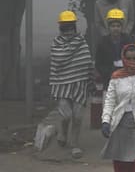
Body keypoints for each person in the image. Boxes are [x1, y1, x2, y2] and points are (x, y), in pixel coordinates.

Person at [101, 44, 135, 172]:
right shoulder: (116, 77)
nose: (131, 62)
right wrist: (105, 121)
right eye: (128, 58)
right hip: (120, 126)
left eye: (134, 58)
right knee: (122, 165)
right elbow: (110, 102)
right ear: (123, 59)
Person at [49, 11, 95, 159]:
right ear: (60, 28)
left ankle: (74, 144)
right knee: (66, 115)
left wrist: (90, 80)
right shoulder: (56, 43)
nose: (68, 31)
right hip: (61, 84)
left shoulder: (81, 42)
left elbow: (87, 61)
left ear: (74, 27)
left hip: (80, 84)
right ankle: (62, 132)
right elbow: (58, 59)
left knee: (78, 117)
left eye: (70, 27)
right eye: (65, 28)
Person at [95, 9, 134, 87]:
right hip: (109, 81)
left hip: (127, 80)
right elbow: (99, 64)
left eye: (118, 26)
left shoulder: (129, 40)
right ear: (108, 27)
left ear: (122, 27)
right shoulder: (102, 43)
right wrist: (110, 72)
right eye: (113, 26)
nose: (115, 28)